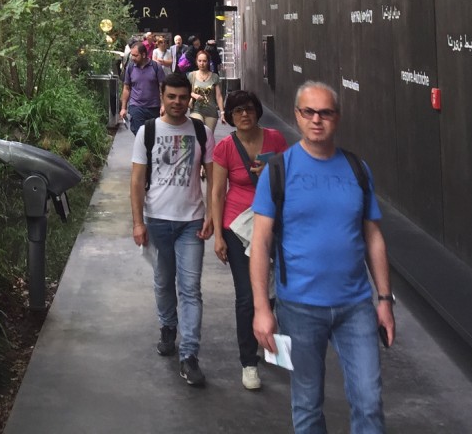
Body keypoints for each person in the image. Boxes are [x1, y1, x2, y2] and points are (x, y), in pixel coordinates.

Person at [250, 82, 394, 434]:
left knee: (369, 402)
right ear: (297, 115)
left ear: (337, 118)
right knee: (307, 405)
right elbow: (261, 243)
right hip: (298, 307)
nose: (317, 120)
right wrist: (261, 309)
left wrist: (384, 300)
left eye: (325, 112)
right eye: (309, 112)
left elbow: (373, 237)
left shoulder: (358, 169)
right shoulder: (278, 171)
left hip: (355, 306)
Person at [130, 71, 215, 387]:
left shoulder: (203, 132)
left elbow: (214, 179)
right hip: (157, 220)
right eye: (171, 97)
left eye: (182, 97)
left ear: (189, 96)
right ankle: (168, 327)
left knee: (190, 289)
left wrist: (212, 215)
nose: (177, 102)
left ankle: (190, 355)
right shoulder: (148, 131)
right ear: (162, 97)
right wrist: (138, 222)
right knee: (164, 281)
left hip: (191, 222)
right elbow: (137, 180)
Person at [209, 90, 288, 391]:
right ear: (229, 116)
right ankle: (248, 362)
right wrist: (218, 235)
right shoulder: (225, 147)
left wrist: (273, 172)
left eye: (250, 109)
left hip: (273, 224)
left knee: (276, 293)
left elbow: (291, 178)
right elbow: (218, 192)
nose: (245, 114)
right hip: (238, 227)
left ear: (257, 111)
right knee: (246, 296)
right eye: (238, 110)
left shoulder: (275, 139)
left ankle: (274, 348)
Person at [119, 41, 166, 136]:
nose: (133, 58)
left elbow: (163, 88)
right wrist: (123, 108)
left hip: (153, 107)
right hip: (136, 106)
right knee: (139, 134)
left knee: (152, 135)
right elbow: (126, 88)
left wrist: (163, 105)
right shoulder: (130, 67)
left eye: (136, 55)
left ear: (144, 55)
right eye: (132, 55)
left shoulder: (156, 67)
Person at [187, 48, 222, 131]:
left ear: (208, 62)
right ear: (196, 62)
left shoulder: (214, 77)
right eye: (199, 61)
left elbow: (219, 96)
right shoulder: (192, 75)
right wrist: (193, 95)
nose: (202, 63)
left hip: (211, 111)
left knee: (208, 135)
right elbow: (186, 92)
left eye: (204, 61)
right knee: (198, 131)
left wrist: (222, 112)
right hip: (196, 110)